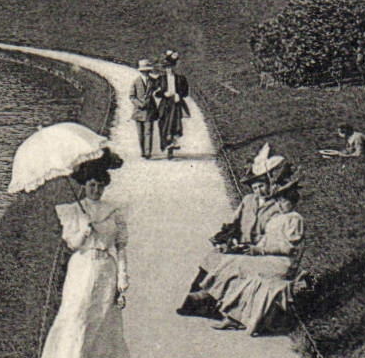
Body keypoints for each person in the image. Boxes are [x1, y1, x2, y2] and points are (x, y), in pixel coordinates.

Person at [177, 145, 305, 335]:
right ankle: (204, 300)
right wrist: (225, 238)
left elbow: (280, 242)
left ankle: (212, 298)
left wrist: (256, 248)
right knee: (214, 258)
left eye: (262, 186)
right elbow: (234, 223)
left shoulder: (281, 212)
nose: (259, 190)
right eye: (255, 187)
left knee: (233, 265)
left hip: (261, 252)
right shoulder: (249, 201)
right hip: (245, 246)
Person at [40, 157, 132, 358]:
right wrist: (84, 231)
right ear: (84, 185)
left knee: (100, 320)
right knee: (77, 318)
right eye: (92, 185)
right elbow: (71, 244)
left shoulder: (113, 212)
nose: (96, 190)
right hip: (82, 267)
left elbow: (121, 246)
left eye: (100, 185)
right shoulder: (74, 211)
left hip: (105, 268)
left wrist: (122, 276)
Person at [156, 50, 190, 159]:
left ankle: (171, 148)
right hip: (165, 104)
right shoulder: (160, 79)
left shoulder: (180, 79)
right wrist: (164, 93)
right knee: (163, 124)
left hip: (175, 104)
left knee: (173, 124)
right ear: (164, 69)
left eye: (170, 67)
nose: (168, 70)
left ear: (173, 67)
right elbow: (156, 93)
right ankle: (167, 144)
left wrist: (178, 95)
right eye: (166, 67)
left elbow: (186, 92)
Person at [129, 59, 161, 160]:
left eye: (147, 71)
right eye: (143, 71)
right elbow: (131, 96)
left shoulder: (153, 81)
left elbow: (159, 89)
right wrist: (139, 104)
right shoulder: (136, 82)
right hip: (138, 111)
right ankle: (142, 151)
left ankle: (148, 153)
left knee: (148, 132)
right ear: (140, 71)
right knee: (140, 133)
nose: (145, 73)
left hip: (150, 110)